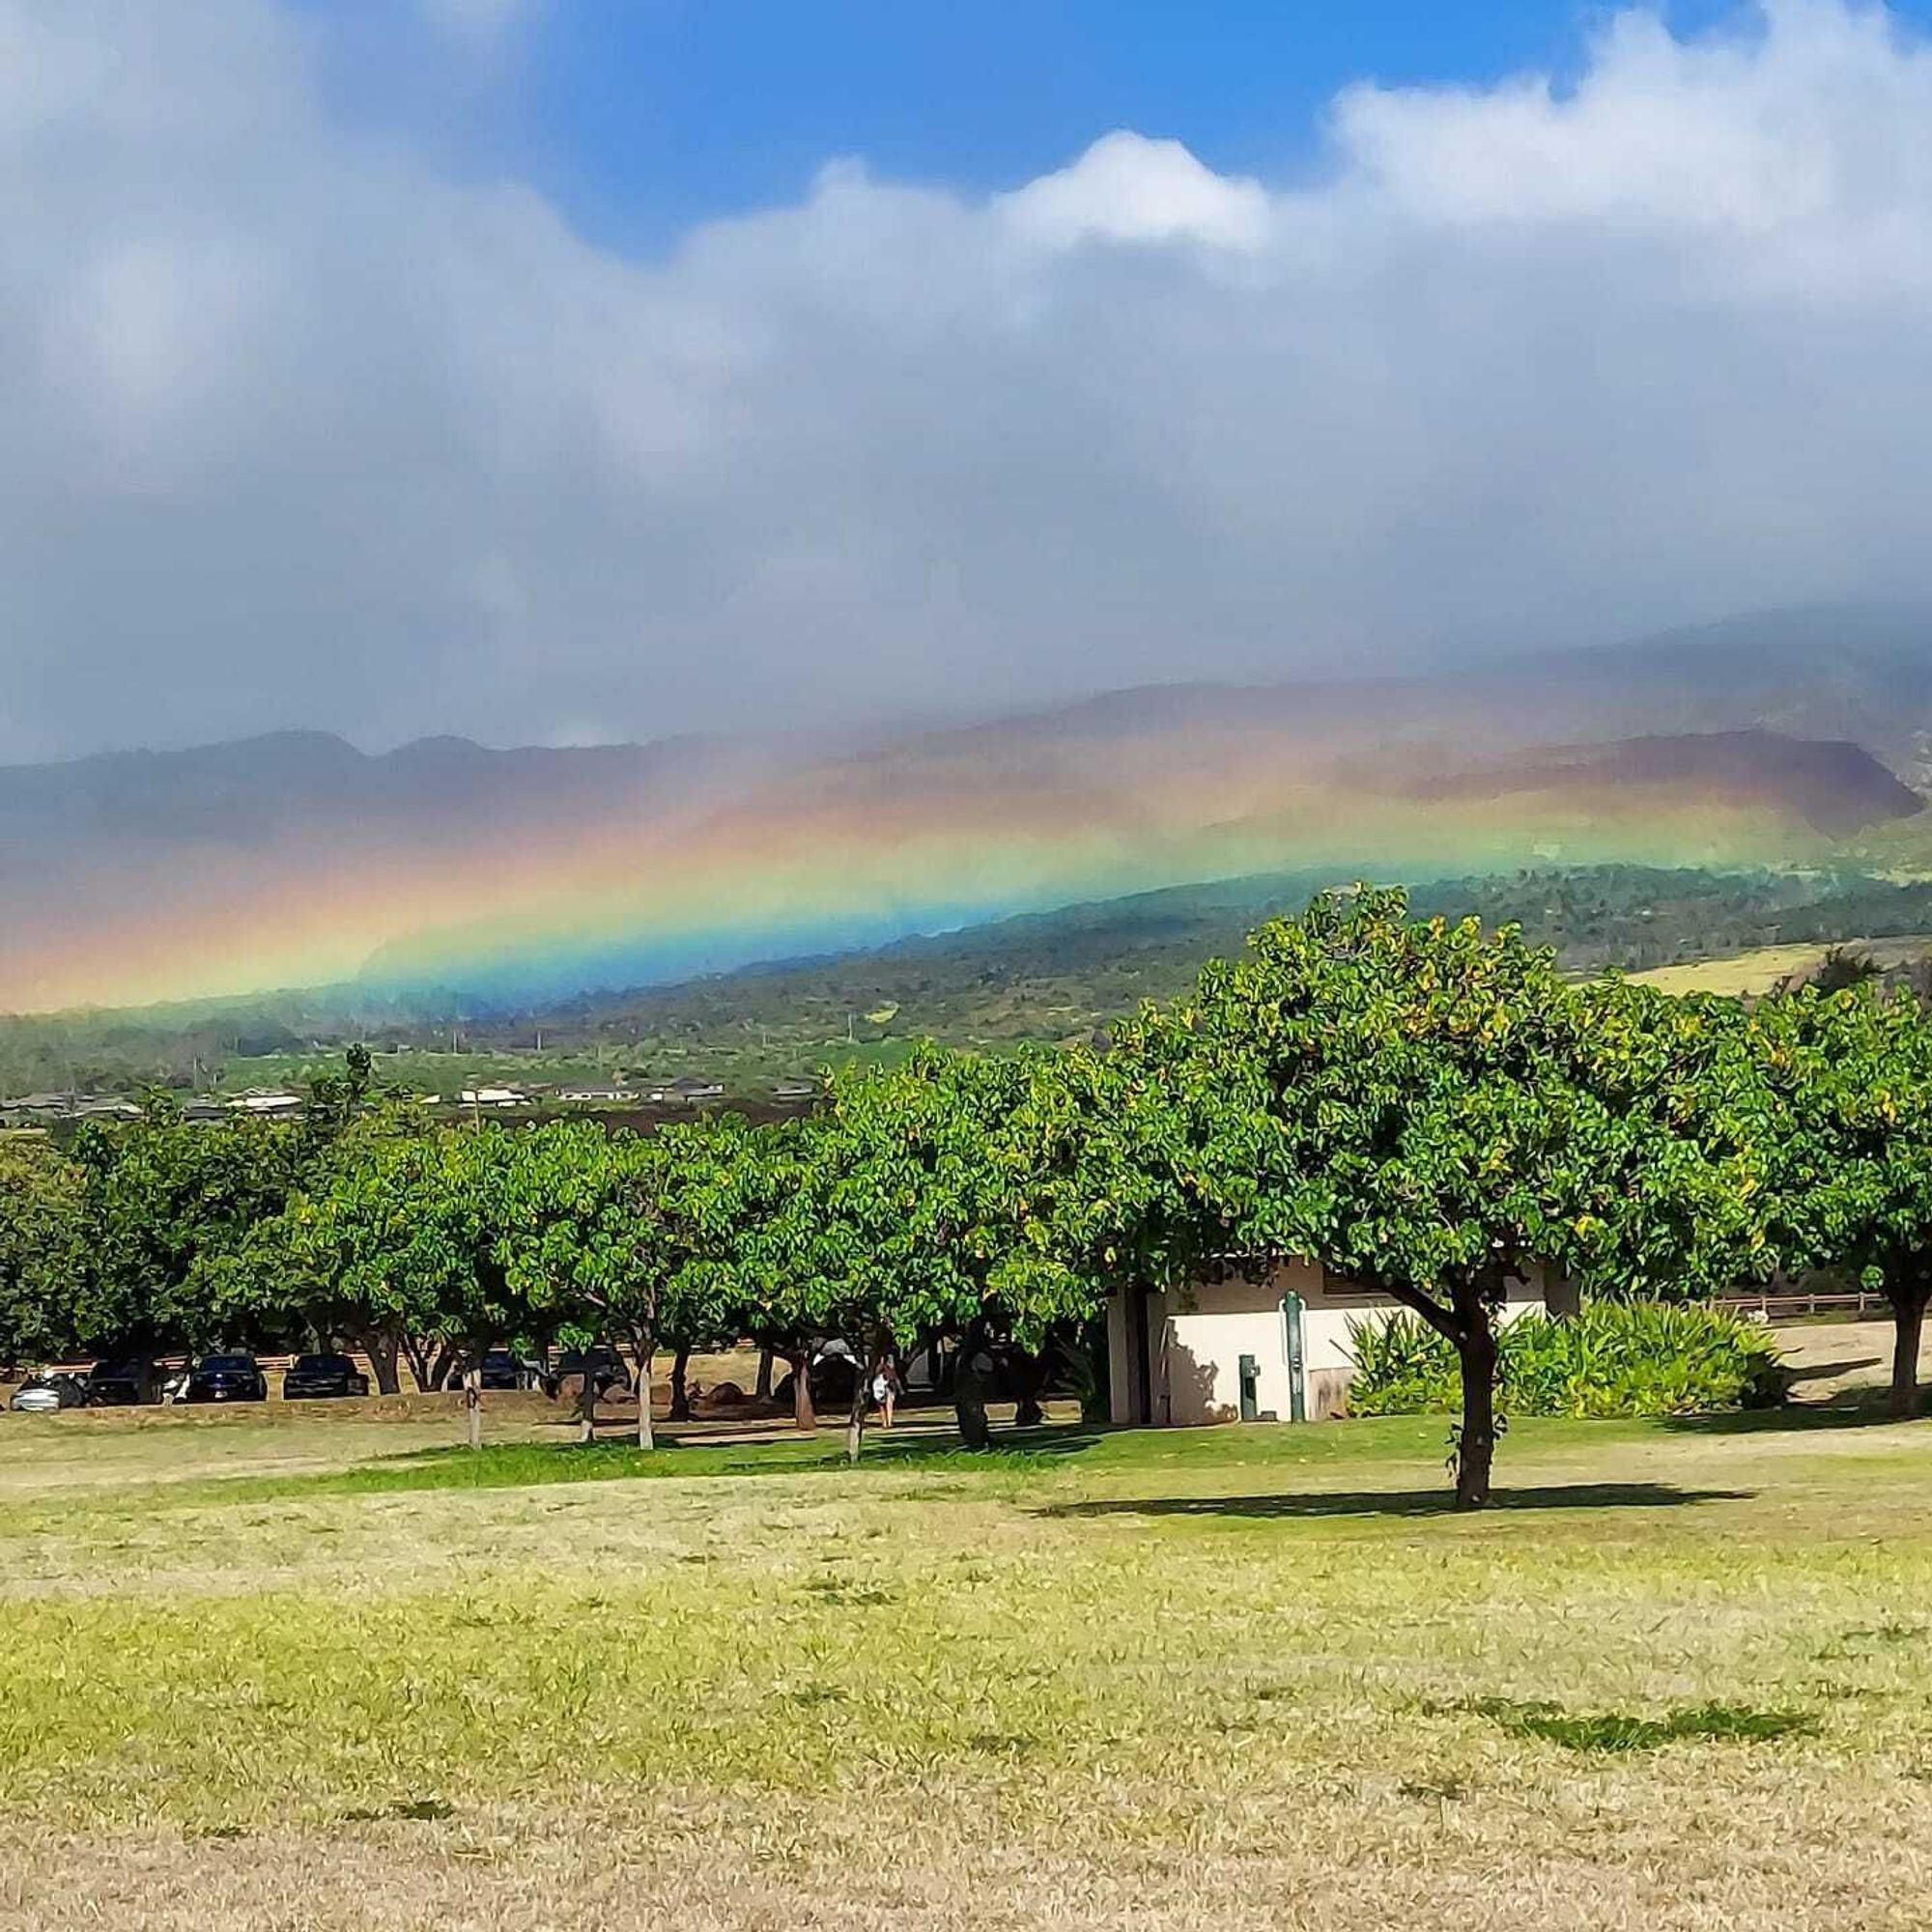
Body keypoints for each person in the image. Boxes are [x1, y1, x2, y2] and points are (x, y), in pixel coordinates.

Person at [870, 1355, 898, 1429]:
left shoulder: (889, 1368)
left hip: (888, 1387)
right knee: (882, 1406)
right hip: (880, 1387)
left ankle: (888, 1422)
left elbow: (893, 1376)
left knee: (888, 1405)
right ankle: (885, 1423)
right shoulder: (879, 1367)